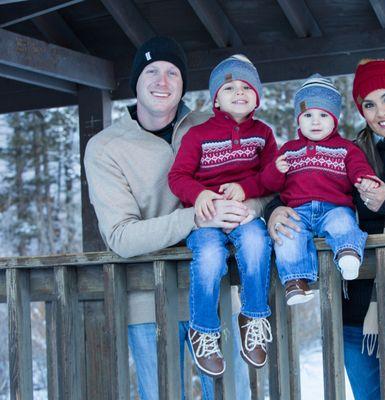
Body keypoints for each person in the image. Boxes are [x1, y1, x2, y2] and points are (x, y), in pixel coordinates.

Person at [84, 37, 261, 400]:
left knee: (233, 395)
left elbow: (265, 179)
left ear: (184, 84)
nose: (162, 82)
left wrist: (251, 208)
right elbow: (120, 236)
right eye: (151, 72)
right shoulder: (106, 146)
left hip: (216, 291)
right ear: (136, 80)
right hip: (149, 299)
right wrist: (199, 218)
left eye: (172, 73)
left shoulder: (214, 124)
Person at [266, 60, 385, 400]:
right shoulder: (350, 153)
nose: (381, 112)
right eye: (369, 104)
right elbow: (300, 191)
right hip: (359, 313)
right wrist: (274, 211)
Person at [168, 54, 276, 377]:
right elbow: (177, 177)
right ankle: (204, 329)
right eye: (230, 88)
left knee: (258, 243)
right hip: (207, 218)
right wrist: (199, 194)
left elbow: (274, 177)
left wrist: (246, 188)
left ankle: (254, 317)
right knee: (211, 256)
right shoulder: (198, 135)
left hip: (245, 215)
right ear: (216, 97)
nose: (239, 93)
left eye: (246, 87)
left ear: (257, 94)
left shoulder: (264, 134)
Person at [260, 74, 379, 305]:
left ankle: (348, 253)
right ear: (298, 119)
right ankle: (295, 281)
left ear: (334, 119)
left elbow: (358, 168)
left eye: (323, 115)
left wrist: (365, 179)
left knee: (342, 224)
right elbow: (270, 186)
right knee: (287, 236)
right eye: (308, 115)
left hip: (333, 207)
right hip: (297, 211)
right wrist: (276, 170)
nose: (315, 122)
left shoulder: (346, 149)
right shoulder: (289, 150)